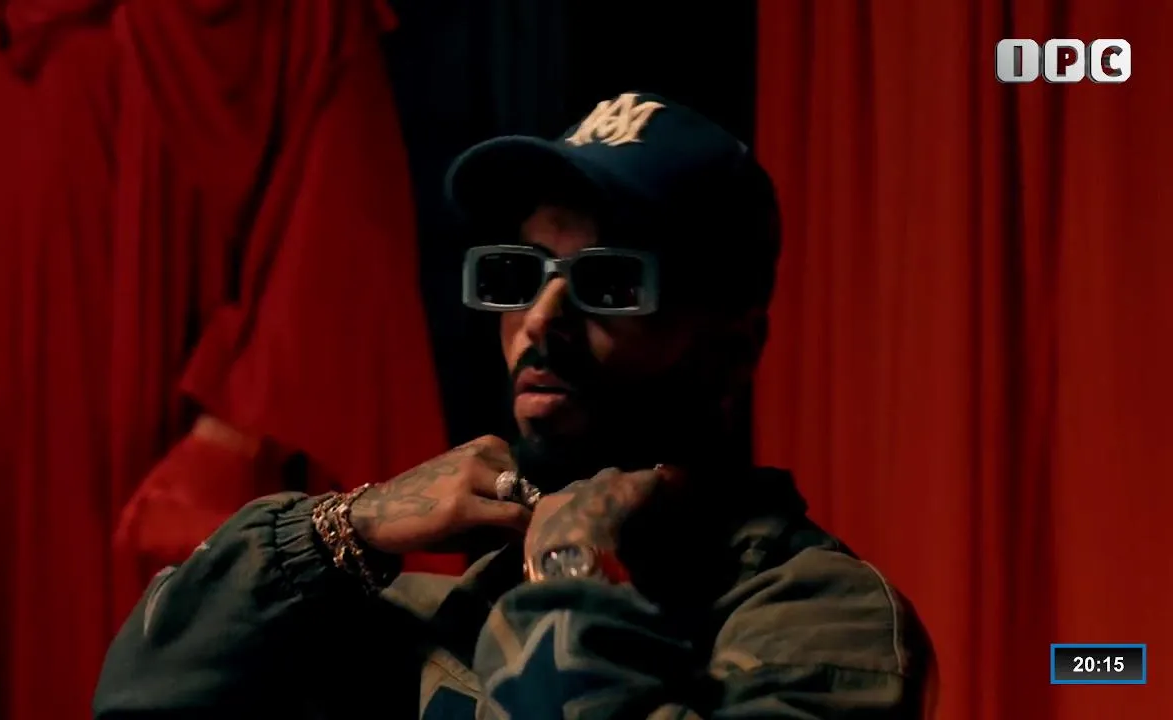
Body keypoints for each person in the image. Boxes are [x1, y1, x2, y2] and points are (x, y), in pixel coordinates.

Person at [93, 92, 935, 720]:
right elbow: (146, 693)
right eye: (517, 275)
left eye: (608, 282)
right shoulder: (436, 610)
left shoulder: (823, 621)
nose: (540, 319)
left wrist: (570, 572)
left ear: (732, 347)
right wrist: (347, 528)